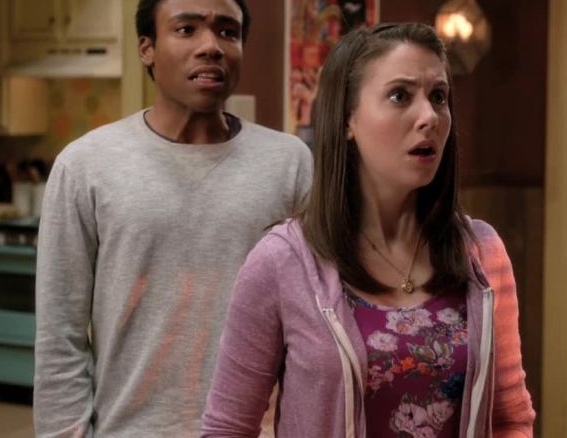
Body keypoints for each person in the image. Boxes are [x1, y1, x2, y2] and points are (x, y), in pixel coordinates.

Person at [201, 23, 535, 437]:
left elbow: (510, 418)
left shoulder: (481, 252)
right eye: (400, 96)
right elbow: (227, 428)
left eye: (438, 97)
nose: (429, 117)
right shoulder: (282, 261)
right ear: (347, 120)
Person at [34, 0, 312, 437]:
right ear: (147, 48)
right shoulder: (85, 165)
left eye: (228, 32)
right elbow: (59, 332)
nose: (211, 46)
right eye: (186, 29)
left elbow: (316, 319)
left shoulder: (290, 163)